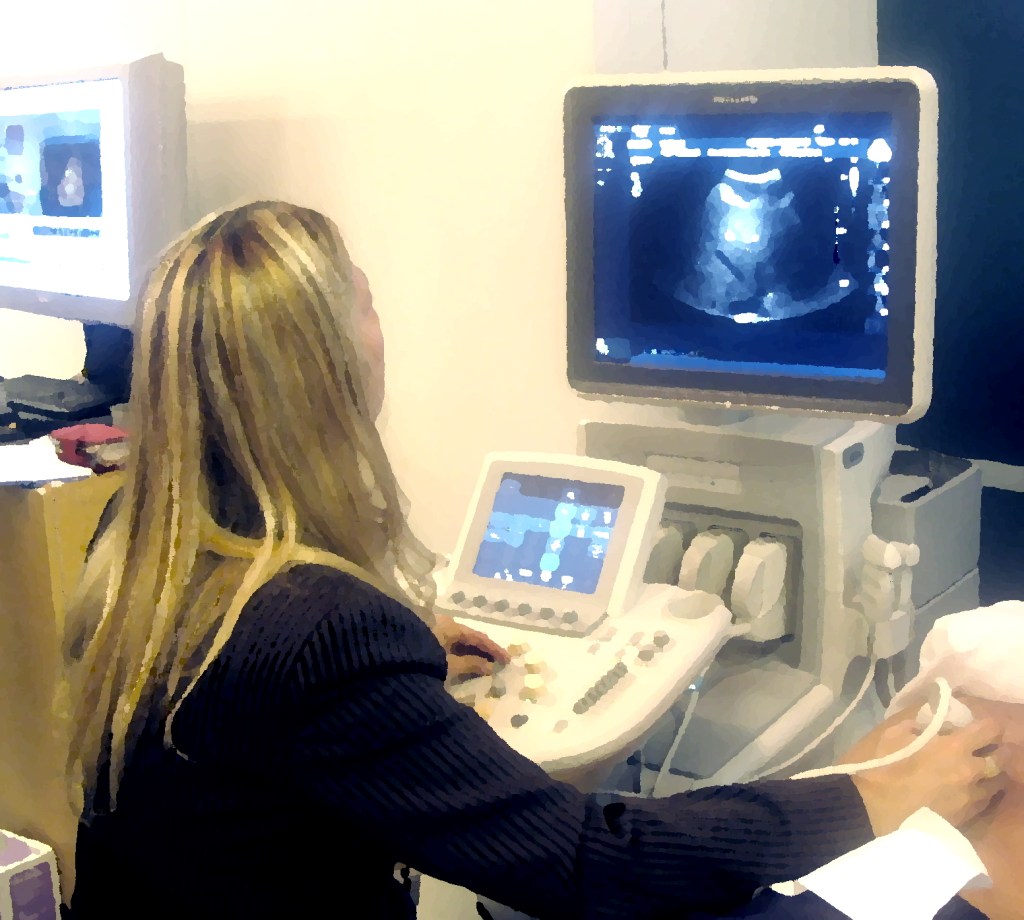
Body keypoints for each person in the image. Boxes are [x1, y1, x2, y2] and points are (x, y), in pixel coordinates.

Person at [53, 200, 1010, 919]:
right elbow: (590, 862)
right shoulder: (320, 632)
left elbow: (263, 720)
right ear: (330, 364)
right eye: (366, 301)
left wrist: (395, 668)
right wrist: (863, 796)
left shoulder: (142, 543)